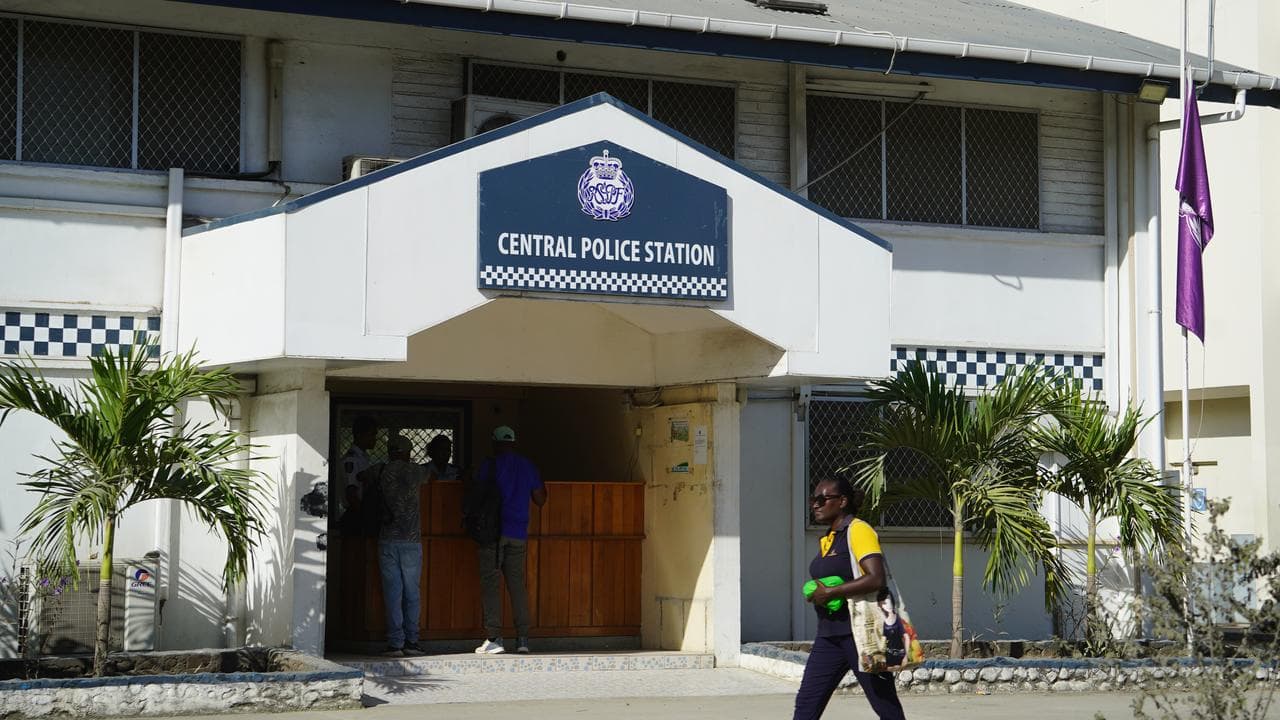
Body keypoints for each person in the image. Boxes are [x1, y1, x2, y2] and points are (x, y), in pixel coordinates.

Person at [794, 475, 907, 720]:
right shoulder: (828, 538)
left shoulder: (859, 530)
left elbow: (876, 578)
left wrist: (830, 592)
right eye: (813, 499)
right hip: (828, 637)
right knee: (806, 704)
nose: (815, 504)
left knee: (885, 706)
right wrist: (818, 593)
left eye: (823, 499)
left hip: (861, 636)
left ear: (842, 501)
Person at [471, 425, 546, 655]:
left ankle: (494, 638)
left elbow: (477, 492)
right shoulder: (527, 465)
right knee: (517, 586)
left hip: (493, 533)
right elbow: (540, 499)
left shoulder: (489, 465)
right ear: (513, 442)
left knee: (491, 585)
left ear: (494, 442)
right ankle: (522, 639)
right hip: (518, 534)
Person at [363, 433, 430, 657]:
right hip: (411, 540)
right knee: (412, 593)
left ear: (391, 451)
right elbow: (434, 475)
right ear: (408, 452)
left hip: (387, 539)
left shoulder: (380, 470)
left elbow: (362, 476)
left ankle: (395, 644)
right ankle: (412, 641)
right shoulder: (416, 471)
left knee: (393, 593)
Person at [340, 415, 378, 510]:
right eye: (371, 434)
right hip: (356, 513)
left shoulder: (362, 457)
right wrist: (362, 516)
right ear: (359, 435)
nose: (374, 438)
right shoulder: (352, 460)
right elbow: (351, 494)